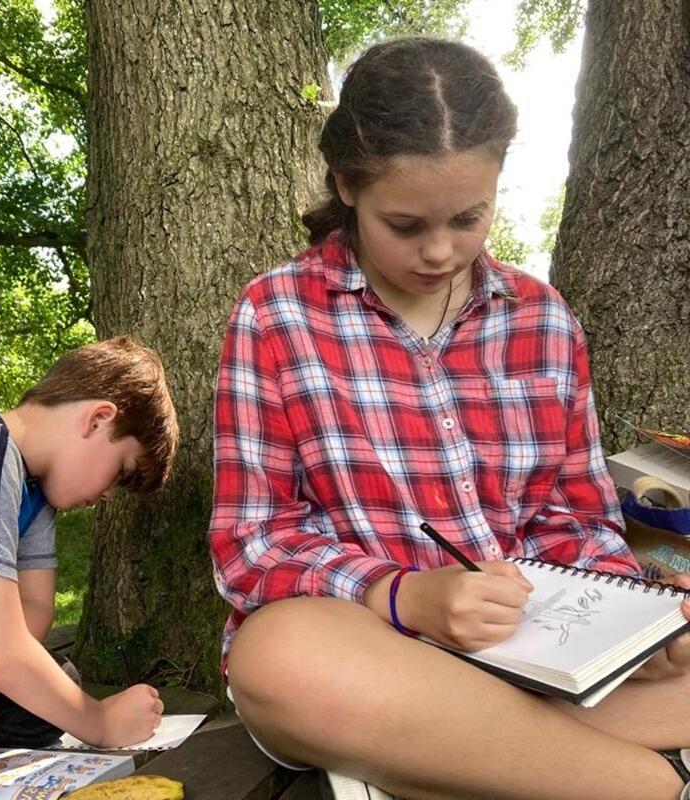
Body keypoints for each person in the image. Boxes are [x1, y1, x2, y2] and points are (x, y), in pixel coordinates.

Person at [209, 37, 690, 800]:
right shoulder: (275, 313)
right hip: (375, 653)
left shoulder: (543, 318)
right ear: (346, 186)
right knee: (279, 658)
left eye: (469, 218)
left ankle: (464, 761)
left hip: (542, 660)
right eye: (405, 225)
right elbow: (252, 544)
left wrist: (633, 626)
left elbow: (580, 518)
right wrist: (400, 595)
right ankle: (642, 782)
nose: (440, 251)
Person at [0, 335, 178, 800]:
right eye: (121, 472)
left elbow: (35, 608)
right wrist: (100, 724)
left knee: (51, 692)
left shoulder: (34, 492)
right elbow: (4, 652)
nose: (107, 496)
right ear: (99, 418)